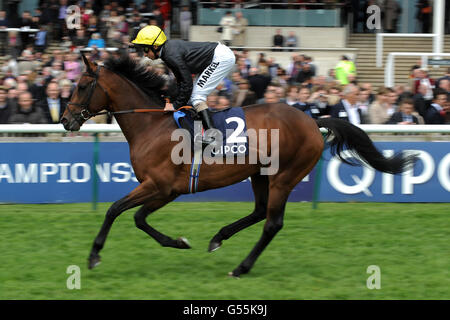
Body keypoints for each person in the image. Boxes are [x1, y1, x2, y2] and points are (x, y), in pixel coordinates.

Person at [132, 25, 236, 145]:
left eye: (145, 49)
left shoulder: (170, 55)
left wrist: (175, 105)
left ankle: (213, 136)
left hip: (221, 58)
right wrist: (172, 100)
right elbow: (180, 81)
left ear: (155, 46)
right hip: (216, 56)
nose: (144, 54)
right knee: (194, 96)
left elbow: (187, 83)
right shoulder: (166, 52)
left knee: (197, 96)